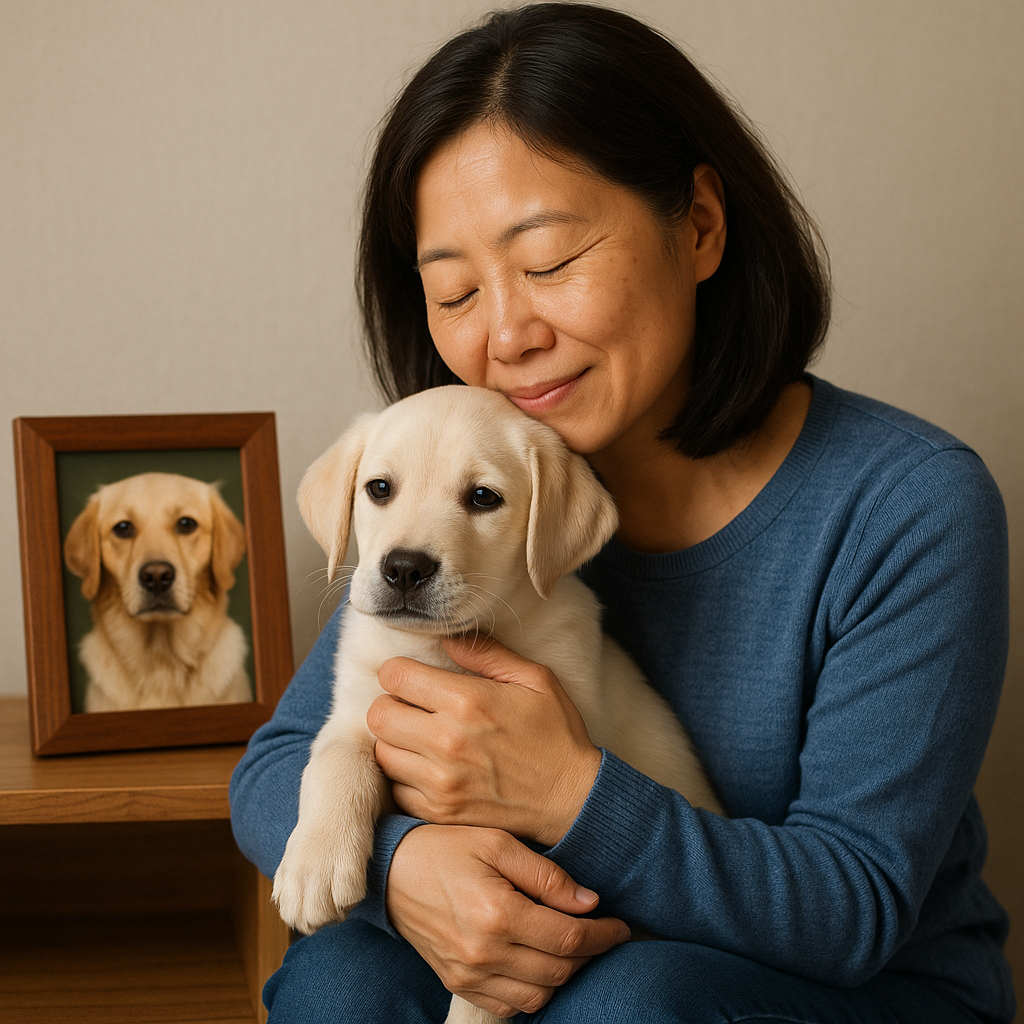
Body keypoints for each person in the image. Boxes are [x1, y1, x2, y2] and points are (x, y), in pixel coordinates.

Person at [229, 4, 1014, 1022]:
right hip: (584, 956)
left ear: (698, 225)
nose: (506, 334)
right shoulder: (467, 497)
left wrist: (566, 792)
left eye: (549, 262)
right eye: (454, 289)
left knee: (630, 1001)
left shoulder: (906, 503)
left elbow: (852, 908)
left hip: (859, 989)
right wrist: (407, 863)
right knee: (340, 978)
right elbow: (279, 768)